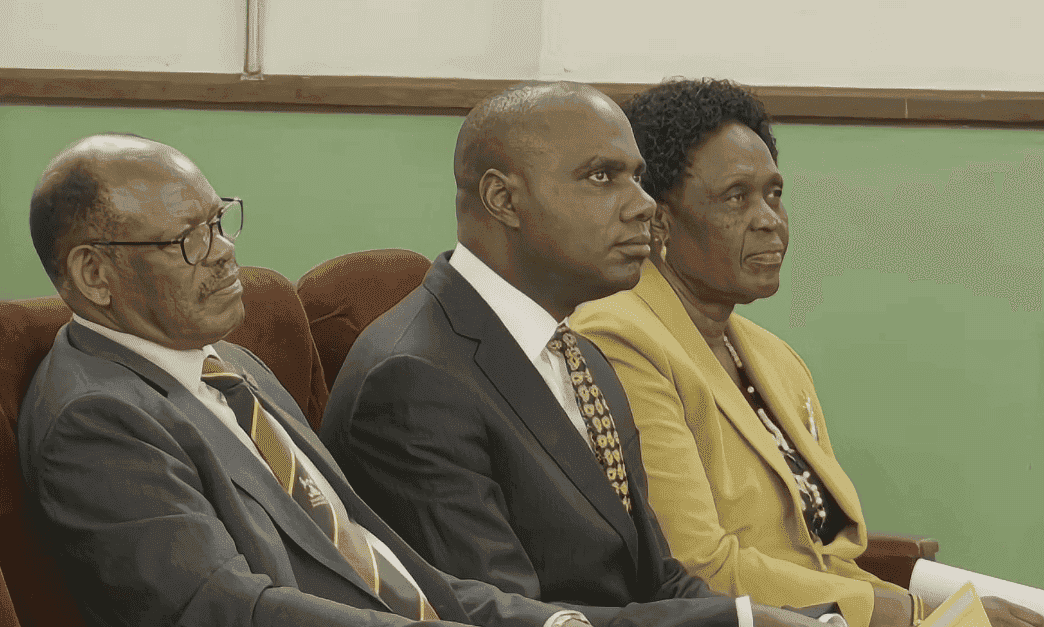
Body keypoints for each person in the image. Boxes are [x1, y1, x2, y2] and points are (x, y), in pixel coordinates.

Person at [20, 133, 605, 627]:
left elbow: (376, 562)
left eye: (219, 221)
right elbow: (230, 609)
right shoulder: (96, 418)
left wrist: (543, 620)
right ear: (95, 274)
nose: (225, 252)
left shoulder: (231, 365)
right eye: (188, 239)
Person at [321, 82, 834, 627]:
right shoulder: (413, 380)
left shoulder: (581, 356)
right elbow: (505, 616)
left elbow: (659, 578)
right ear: (503, 199)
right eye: (602, 177)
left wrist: (787, 620)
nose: (644, 207)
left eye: (636, 177)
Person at [569, 78, 1044, 627]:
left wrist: (951, 612)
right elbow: (698, 566)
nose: (769, 219)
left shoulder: (772, 357)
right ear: (661, 221)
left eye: (774, 193)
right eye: (736, 197)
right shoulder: (618, 337)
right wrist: (917, 616)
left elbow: (823, 554)